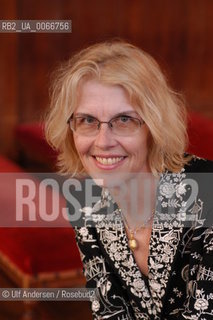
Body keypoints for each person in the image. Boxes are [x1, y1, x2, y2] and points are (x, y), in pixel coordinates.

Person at [45, 40, 213, 320]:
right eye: (87, 120)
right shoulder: (86, 201)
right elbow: (108, 310)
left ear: (154, 126)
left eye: (124, 120)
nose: (103, 141)